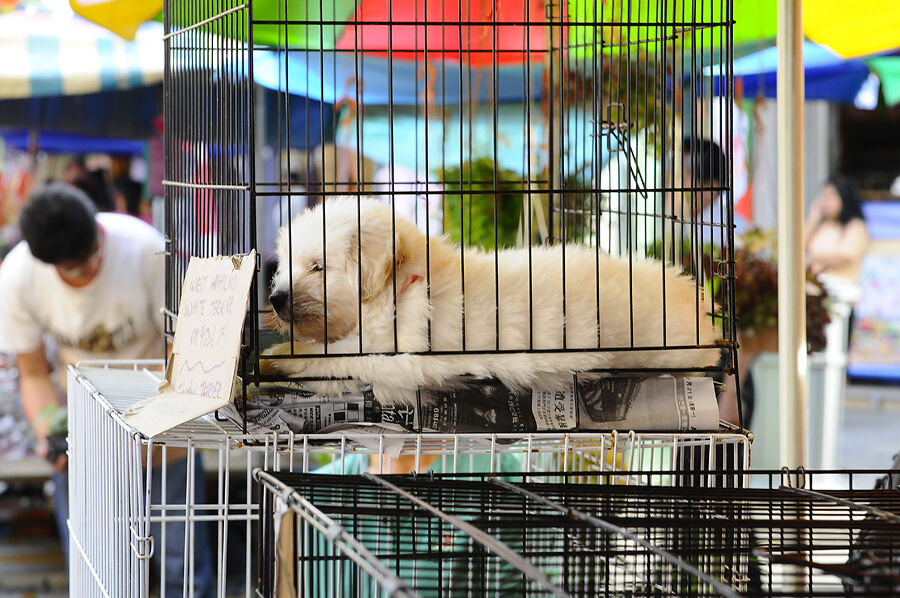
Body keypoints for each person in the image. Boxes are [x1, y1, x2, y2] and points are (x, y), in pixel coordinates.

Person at [0, 183, 214, 597]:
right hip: (87, 435)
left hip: (163, 428)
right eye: (78, 268)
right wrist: (51, 431)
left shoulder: (145, 251)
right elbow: (33, 372)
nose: (92, 268)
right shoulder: (19, 277)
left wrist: (155, 424)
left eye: (96, 252)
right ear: (51, 265)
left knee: (182, 562)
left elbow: (185, 351)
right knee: (96, 563)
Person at [804, 178, 869, 303]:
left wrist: (812, 258)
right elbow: (800, 248)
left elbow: (844, 256)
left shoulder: (855, 226)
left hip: (840, 291)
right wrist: (812, 220)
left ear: (843, 198)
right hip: (814, 289)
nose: (825, 202)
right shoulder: (822, 225)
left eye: (830, 197)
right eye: (823, 197)